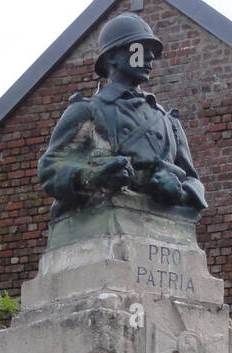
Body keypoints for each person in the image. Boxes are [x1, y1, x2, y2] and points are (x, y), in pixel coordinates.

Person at [38, 13, 207, 221]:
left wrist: (179, 191)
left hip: (163, 227)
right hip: (104, 224)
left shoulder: (168, 122)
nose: (150, 57)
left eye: (151, 51)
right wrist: (92, 178)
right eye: (140, 48)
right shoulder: (87, 112)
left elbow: (193, 180)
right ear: (112, 57)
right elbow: (50, 168)